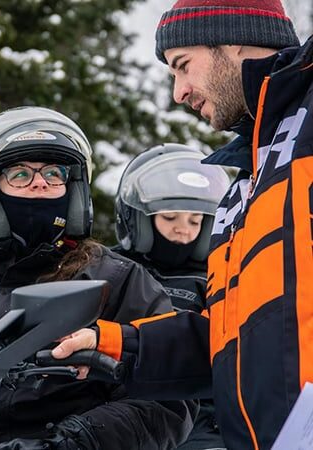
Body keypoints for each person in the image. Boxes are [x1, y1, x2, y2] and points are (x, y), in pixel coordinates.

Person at [52, 1, 313, 449]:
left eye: (183, 65)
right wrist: (116, 345)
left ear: (233, 40)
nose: (179, 91)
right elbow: (234, 339)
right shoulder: (247, 184)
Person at [0, 106, 197, 449]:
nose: (40, 183)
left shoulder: (115, 279)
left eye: (54, 173)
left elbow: (169, 397)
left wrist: (75, 440)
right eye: (20, 175)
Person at [112, 143, 231, 450]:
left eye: (195, 221)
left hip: (199, 419)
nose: (183, 231)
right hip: (115, 410)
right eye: (171, 218)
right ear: (138, 218)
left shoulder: (219, 280)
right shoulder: (111, 270)